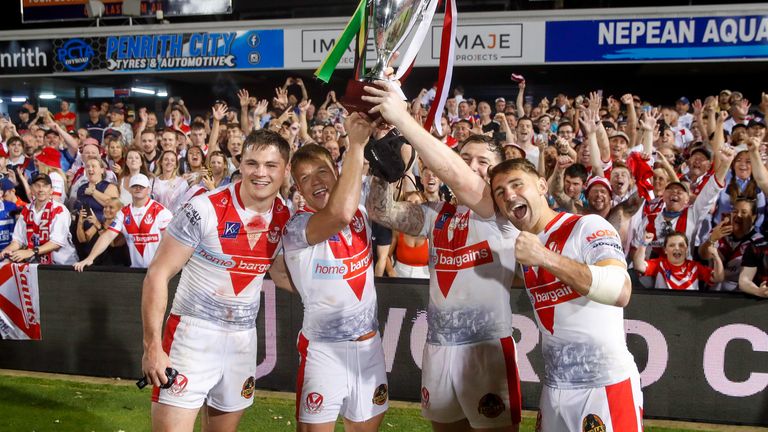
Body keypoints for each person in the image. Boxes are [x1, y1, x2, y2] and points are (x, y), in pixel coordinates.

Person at [363, 82, 521, 432]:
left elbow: (457, 177)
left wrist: (403, 120)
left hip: (486, 347)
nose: (472, 167)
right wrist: (384, 172)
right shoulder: (438, 215)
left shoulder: (502, 213)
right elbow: (381, 211)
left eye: (483, 162)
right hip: (439, 346)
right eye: (465, 159)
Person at [137, 130, 293, 431]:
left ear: (285, 170)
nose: (260, 173)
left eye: (271, 165)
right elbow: (158, 273)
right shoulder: (202, 208)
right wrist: (152, 346)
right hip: (192, 337)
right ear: (241, 164)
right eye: (252, 163)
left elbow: (280, 271)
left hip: (242, 339)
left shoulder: (285, 216)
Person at [487, 158, 642, 431]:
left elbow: (620, 290)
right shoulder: (526, 246)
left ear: (543, 186)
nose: (509, 195)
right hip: (555, 389)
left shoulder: (587, 226)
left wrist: (544, 257)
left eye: (516, 184)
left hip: (604, 386)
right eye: (500, 192)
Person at [283, 113, 390, 431]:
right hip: (324, 351)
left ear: (336, 172)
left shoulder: (360, 207)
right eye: (305, 178)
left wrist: (382, 139)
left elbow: (392, 175)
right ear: (298, 188)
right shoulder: (297, 226)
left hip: (369, 346)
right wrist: (356, 143)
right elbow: (340, 214)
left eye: (322, 171)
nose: (316, 181)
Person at [75, 174, 172, 270]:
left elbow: (171, 242)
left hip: (158, 270)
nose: (138, 188)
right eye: (135, 186)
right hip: (136, 270)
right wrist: (90, 258)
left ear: (149, 190)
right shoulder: (123, 213)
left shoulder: (161, 211)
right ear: (129, 189)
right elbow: (108, 236)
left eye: (141, 186)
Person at [1, 174, 77, 265]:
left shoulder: (60, 210)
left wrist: (31, 252)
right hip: (36, 265)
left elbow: (56, 243)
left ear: (51, 190)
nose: (41, 189)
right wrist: (8, 250)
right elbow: (18, 240)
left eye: (45, 186)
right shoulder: (26, 210)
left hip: (63, 266)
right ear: (31, 189)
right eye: (37, 185)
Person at [633, 231, 723, 290]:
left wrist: (716, 257)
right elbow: (638, 266)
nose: (677, 248)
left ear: (686, 249)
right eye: (672, 245)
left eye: (681, 245)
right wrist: (643, 244)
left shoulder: (695, 267)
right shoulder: (659, 264)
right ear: (665, 250)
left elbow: (718, 278)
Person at [389, 191, 429, 279]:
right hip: (399, 276)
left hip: (425, 280)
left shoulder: (431, 230)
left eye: (417, 203)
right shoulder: (398, 229)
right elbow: (387, 256)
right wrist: (391, 272)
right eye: (409, 203)